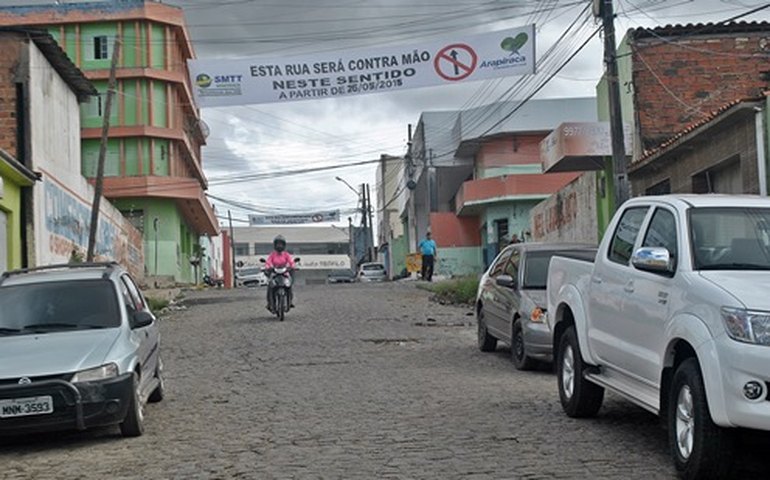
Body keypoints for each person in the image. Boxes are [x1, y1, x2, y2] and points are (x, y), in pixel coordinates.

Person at [265, 235, 296, 312]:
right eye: (278, 244)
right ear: (275, 245)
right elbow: (268, 262)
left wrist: (292, 267)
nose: (279, 246)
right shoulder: (272, 254)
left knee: (289, 285)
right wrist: (268, 267)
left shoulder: (286, 254)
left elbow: (291, 262)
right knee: (270, 286)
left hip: (284, 273)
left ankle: (290, 301)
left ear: (284, 245)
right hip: (275, 273)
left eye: (281, 244)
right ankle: (270, 303)